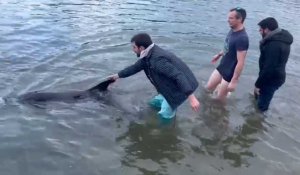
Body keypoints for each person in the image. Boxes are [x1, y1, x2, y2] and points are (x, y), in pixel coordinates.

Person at [108, 33, 200, 119]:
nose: (133, 50)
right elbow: (135, 68)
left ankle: (165, 132)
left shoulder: (157, 60)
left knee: (165, 116)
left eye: (134, 47)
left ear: (141, 48)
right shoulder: (148, 54)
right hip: (169, 88)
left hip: (178, 90)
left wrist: (191, 98)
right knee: (152, 105)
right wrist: (117, 76)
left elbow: (178, 76)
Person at [205, 7, 249, 101]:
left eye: (231, 18)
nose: (227, 20)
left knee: (219, 100)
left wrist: (234, 81)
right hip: (222, 66)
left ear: (239, 19)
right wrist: (219, 54)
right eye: (228, 17)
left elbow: (241, 62)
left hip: (230, 73)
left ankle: (223, 107)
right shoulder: (232, 29)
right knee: (207, 88)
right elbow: (228, 46)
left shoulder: (242, 38)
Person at [254, 17, 293, 112]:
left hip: (272, 78)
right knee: (258, 97)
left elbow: (269, 68)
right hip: (275, 75)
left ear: (266, 29)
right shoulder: (280, 39)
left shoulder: (274, 45)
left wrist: (258, 84)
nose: (259, 31)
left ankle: (258, 122)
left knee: (261, 108)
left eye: (261, 29)